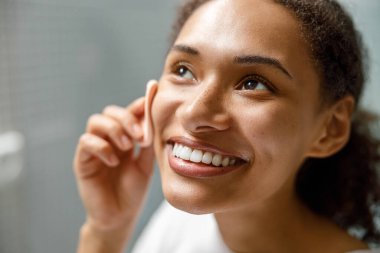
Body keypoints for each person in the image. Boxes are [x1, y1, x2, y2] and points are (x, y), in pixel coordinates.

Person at [73, 0, 380, 252]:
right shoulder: (180, 225)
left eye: (253, 83)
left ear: (329, 128)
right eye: (183, 70)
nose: (194, 113)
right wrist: (106, 232)